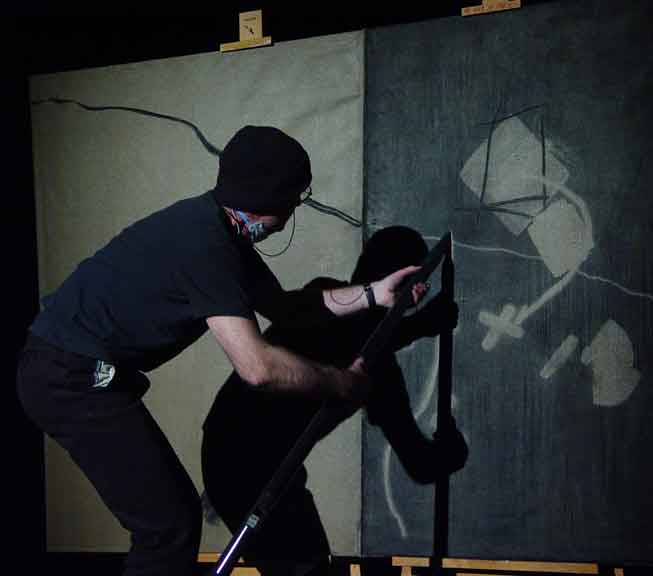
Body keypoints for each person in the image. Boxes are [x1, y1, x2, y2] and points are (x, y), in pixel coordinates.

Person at [15, 126, 428, 576]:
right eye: (294, 201)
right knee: (168, 527)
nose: (292, 213)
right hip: (68, 377)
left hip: (77, 370)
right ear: (271, 201)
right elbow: (258, 368)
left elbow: (286, 309)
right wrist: (342, 383)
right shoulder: (207, 247)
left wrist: (373, 294)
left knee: (172, 521)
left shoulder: (217, 229)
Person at [201, 225, 469, 576]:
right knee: (304, 566)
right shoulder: (331, 309)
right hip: (240, 457)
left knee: (309, 564)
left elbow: (418, 461)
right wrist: (418, 326)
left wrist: (449, 452)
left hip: (258, 464)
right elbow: (353, 337)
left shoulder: (375, 365)